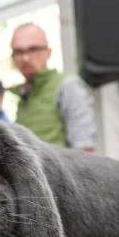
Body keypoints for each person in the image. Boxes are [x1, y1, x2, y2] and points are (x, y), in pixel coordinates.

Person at [8, 22, 95, 152]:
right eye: (19, 52)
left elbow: (85, 151)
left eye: (33, 49)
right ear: (13, 57)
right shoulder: (23, 94)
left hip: (61, 171)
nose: (25, 58)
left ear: (48, 52)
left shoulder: (67, 86)